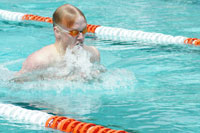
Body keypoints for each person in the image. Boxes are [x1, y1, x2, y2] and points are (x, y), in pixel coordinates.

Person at [16, 4, 100, 78]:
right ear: (57, 32)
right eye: (74, 32)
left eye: (84, 30)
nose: (81, 37)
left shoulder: (93, 54)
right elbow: (14, 88)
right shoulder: (39, 61)